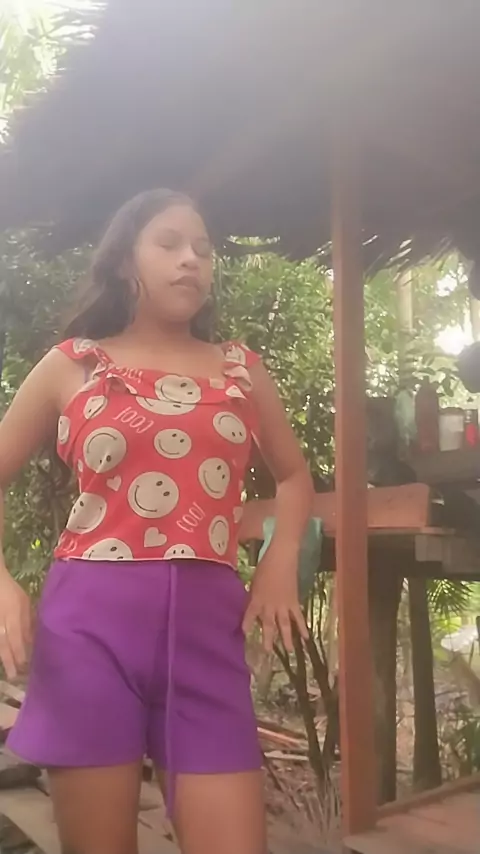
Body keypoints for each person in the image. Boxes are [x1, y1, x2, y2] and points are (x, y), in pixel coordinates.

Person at [0, 189, 313, 854]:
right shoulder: (72, 363)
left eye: (203, 249)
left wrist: (280, 561)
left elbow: (293, 476)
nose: (190, 259)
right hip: (88, 630)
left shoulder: (241, 369)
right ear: (125, 262)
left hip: (209, 632)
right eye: (169, 243)